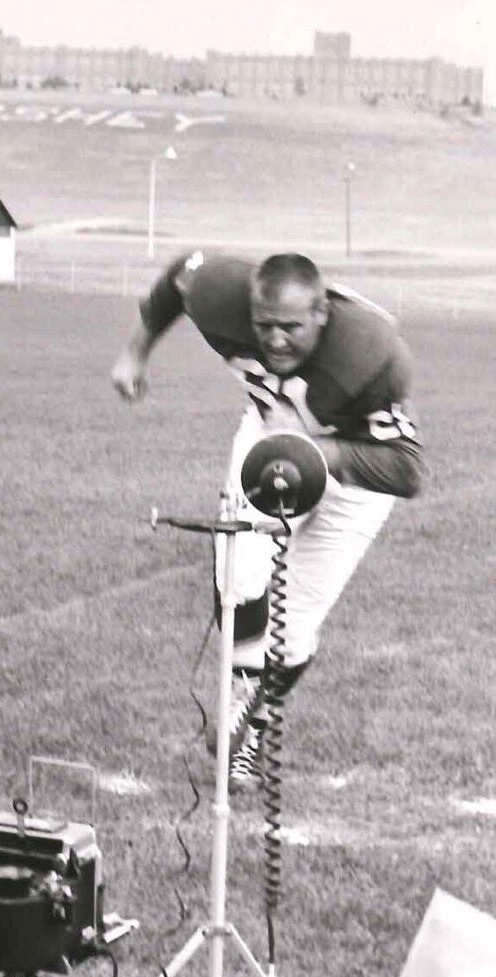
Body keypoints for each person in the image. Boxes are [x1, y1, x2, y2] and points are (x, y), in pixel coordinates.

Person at [111, 250, 422, 785]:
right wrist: (135, 353)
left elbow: (407, 469)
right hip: (271, 435)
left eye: (291, 328)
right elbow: (181, 277)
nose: (276, 341)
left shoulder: (371, 356)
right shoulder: (219, 295)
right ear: (248, 311)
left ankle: (251, 721)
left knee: (293, 632)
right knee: (237, 578)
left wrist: (318, 452)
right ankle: (243, 690)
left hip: (355, 470)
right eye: (265, 326)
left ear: (322, 313)